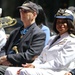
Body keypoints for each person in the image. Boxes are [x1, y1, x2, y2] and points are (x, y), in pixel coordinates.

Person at [5, 9, 75, 75]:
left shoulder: (71, 41)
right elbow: (41, 57)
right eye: (58, 22)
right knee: (10, 70)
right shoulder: (52, 39)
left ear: (70, 24)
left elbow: (60, 63)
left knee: (25, 72)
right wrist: (33, 64)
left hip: (59, 71)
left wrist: (36, 67)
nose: (60, 25)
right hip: (44, 69)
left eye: (64, 22)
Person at [0, 1, 46, 75]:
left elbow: (30, 55)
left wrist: (8, 58)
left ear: (34, 14)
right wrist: (2, 59)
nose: (22, 13)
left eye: (26, 11)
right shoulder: (15, 32)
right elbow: (4, 48)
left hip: (20, 66)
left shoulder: (39, 34)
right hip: (5, 64)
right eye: (21, 11)